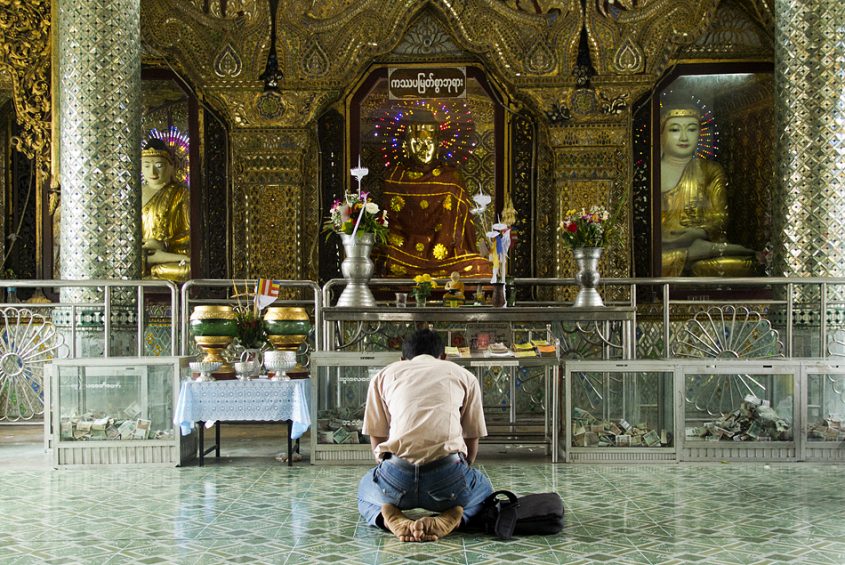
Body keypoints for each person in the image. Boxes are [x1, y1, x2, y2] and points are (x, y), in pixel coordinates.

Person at [357, 329, 494, 542]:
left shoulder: (384, 375)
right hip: (448, 479)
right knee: (484, 490)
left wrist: (383, 465)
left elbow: (377, 436)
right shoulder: (463, 375)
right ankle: (455, 516)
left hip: (395, 477)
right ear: (444, 356)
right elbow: (472, 437)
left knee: (365, 489)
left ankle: (387, 516)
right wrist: (463, 471)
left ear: (402, 359)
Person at [382, 109, 491, 280]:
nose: (424, 148)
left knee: (482, 267)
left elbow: (462, 234)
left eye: (429, 141)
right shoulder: (395, 176)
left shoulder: (451, 178)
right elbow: (389, 227)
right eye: (417, 142)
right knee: (381, 258)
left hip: (446, 258)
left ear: (439, 144)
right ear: (406, 146)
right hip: (403, 253)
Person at [660, 107, 757, 276]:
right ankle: (691, 255)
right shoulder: (648, 173)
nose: (684, 137)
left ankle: (699, 253)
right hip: (663, 248)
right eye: (675, 129)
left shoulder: (710, 170)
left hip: (700, 241)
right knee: (653, 263)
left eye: (691, 129)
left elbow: (720, 216)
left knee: (741, 264)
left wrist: (698, 232)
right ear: (660, 135)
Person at [141, 138, 191, 282]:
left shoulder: (181, 193)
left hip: (170, 258)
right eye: (146, 165)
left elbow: (189, 233)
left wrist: (164, 245)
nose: (152, 171)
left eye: (159, 165)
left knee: (189, 270)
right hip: (141, 255)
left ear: (171, 167)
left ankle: (151, 272)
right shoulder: (135, 194)